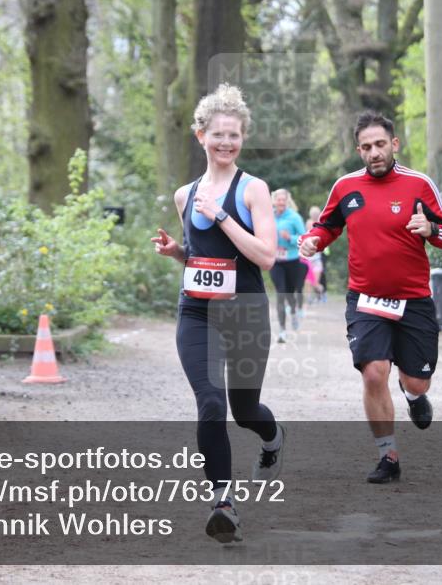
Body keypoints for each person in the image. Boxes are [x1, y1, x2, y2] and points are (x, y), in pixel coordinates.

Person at [151, 83, 286, 543]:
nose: (226, 143)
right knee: (211, 402)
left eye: (235, 136)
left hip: (245, 312)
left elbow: (266, 257)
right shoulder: (184, 195)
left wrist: (224, 216)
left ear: (242, 138)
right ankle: (223, 503)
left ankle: (272, 439)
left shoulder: (254, 190)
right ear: (200, 136)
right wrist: (177, 253)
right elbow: (201, 258)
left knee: (246, 410)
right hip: (197, 313)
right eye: (218, 135)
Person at [299, 110, 442, 484]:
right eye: (367, 147)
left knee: (416, 381)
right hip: (366, 299)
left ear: (394, 145)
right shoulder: (345, 188)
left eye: (381, 145)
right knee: (373, 372)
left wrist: (431, 228)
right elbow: (328, 226)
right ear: (359, 150)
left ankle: (414, 395)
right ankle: (388, 455)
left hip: (414, 298)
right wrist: (313, 241)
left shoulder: (419, 184)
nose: (374, 153)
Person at [270, 189, 307, 343]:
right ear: (274, 201)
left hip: (292, 261)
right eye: (278, 199)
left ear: (287, 201)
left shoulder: (294, 217)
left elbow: (304, 237)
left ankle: (293, 311)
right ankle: (282, 331)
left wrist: (290, 237)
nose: (281, 202)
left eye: (283, 200)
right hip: (275, 261)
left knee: (290, 294)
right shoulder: (268, 215)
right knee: (280, 294)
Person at [303, 206, 326, 304]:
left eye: (316, 214)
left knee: (315, 282)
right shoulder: (309, 223)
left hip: (317, 259)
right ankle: (309, 298)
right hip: (308, 259)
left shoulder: (321, 223)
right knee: (308, 281)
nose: (315, 215)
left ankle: (322, 295)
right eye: (313, 214)